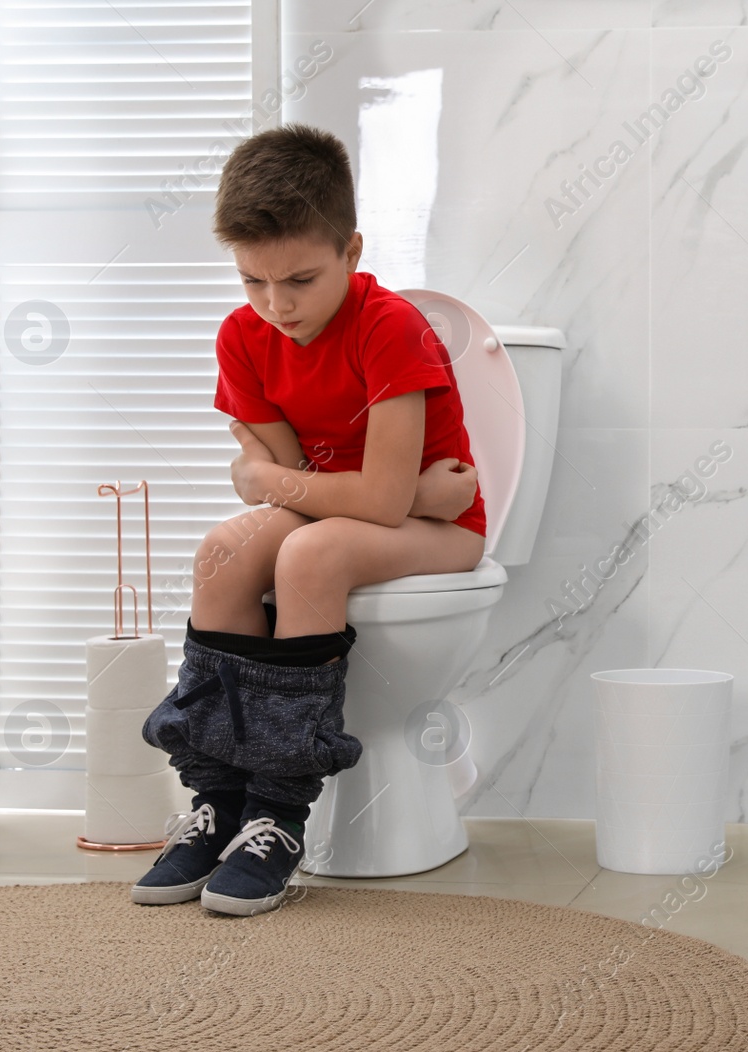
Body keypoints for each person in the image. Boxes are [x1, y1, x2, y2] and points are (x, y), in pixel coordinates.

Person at [132, 123, 484, 916]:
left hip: (448, 529)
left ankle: (279, 815)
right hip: (391, 504)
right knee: (224, 549)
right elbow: (312, 486)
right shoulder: (243, 335)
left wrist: (266, 475)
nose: (276, 305)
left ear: (352, 251)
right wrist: (297, 482)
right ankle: (218, 800)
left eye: (300, 279)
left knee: (311, 557)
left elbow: (348, 498)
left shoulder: (391, 326)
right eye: (253, 281)